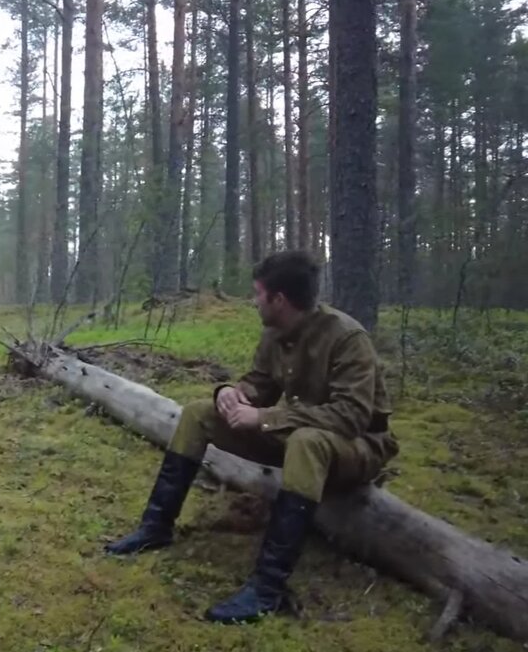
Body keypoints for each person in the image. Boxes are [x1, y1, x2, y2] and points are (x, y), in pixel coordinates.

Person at [103, 250, 399, 623]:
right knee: (198, 414)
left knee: (307, 441)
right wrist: (232, 392)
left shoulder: (347, 338)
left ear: (279, 299)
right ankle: (155, 527)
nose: (253, 301)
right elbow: (259, 384)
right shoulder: (275, 333)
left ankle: (267, 588)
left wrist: (263, 417)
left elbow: (351, 416)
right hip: (293, 436)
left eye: (258, 294)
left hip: (356, 447)